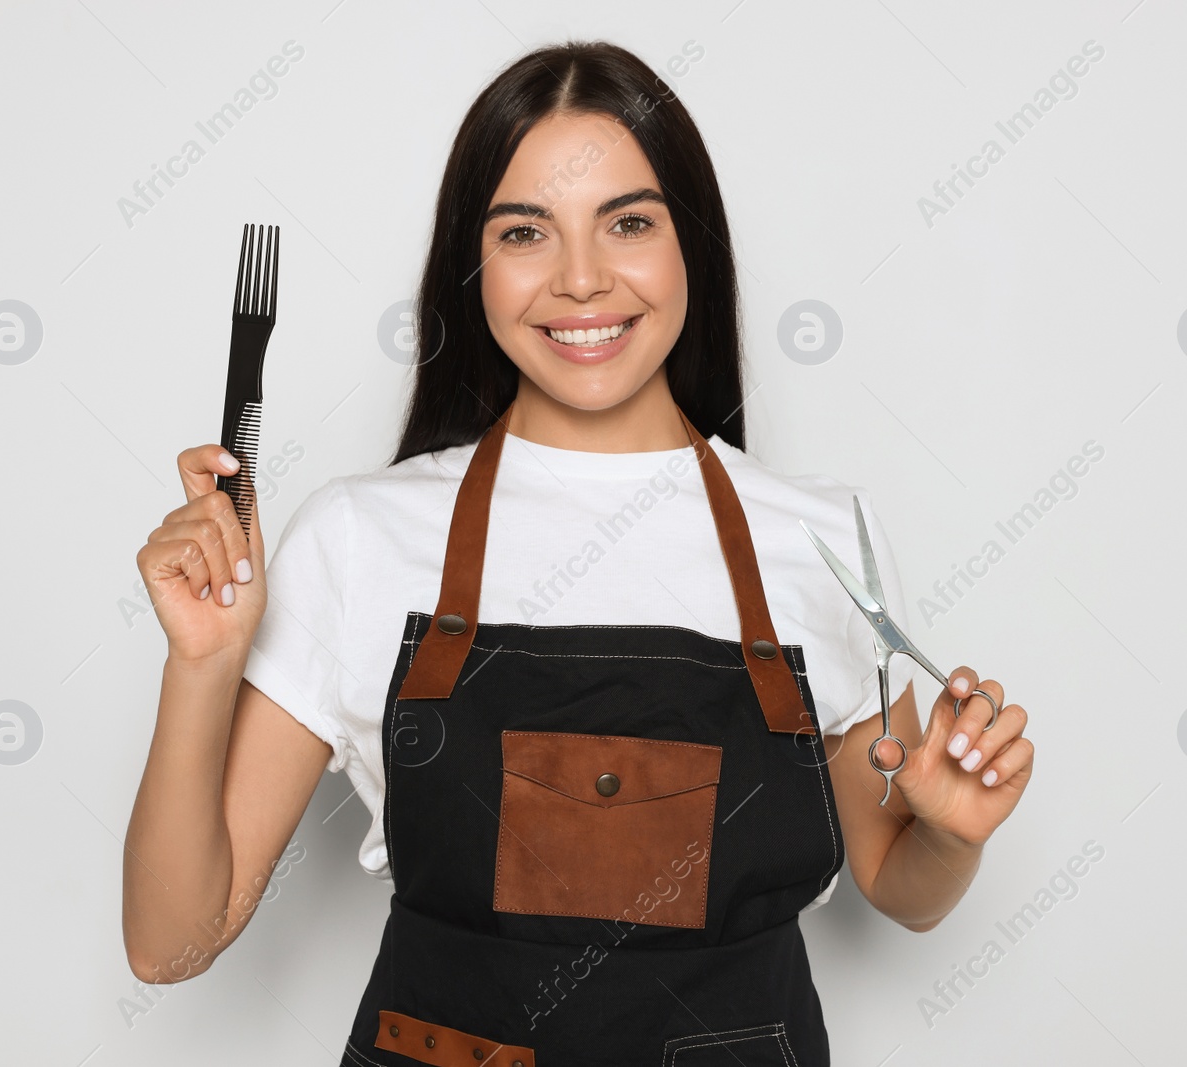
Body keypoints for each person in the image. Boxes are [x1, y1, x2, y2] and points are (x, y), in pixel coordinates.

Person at [123, 39, 1032, 1066]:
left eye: (629, 222)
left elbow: (897, 887)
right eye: (526, 232)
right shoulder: (356, 536)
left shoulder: (824, 538)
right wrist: (202, 662)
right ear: (476, 264)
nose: (583, 279)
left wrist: (949, 834)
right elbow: (170, 943)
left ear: (690, 242)